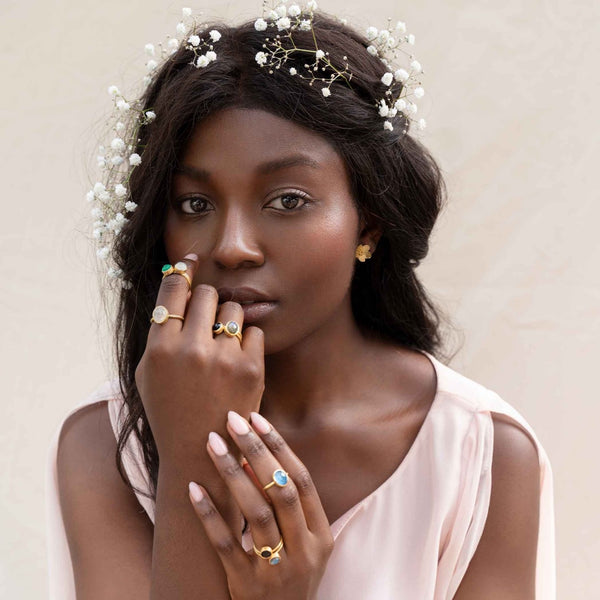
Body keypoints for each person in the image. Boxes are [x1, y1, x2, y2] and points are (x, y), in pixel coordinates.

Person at [45, 4, 556, 598]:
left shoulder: (483, 456)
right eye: (194, 205)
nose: (231, 247)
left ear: (369, 222)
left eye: (287, 200)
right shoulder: (105, 444)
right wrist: (190, 458)